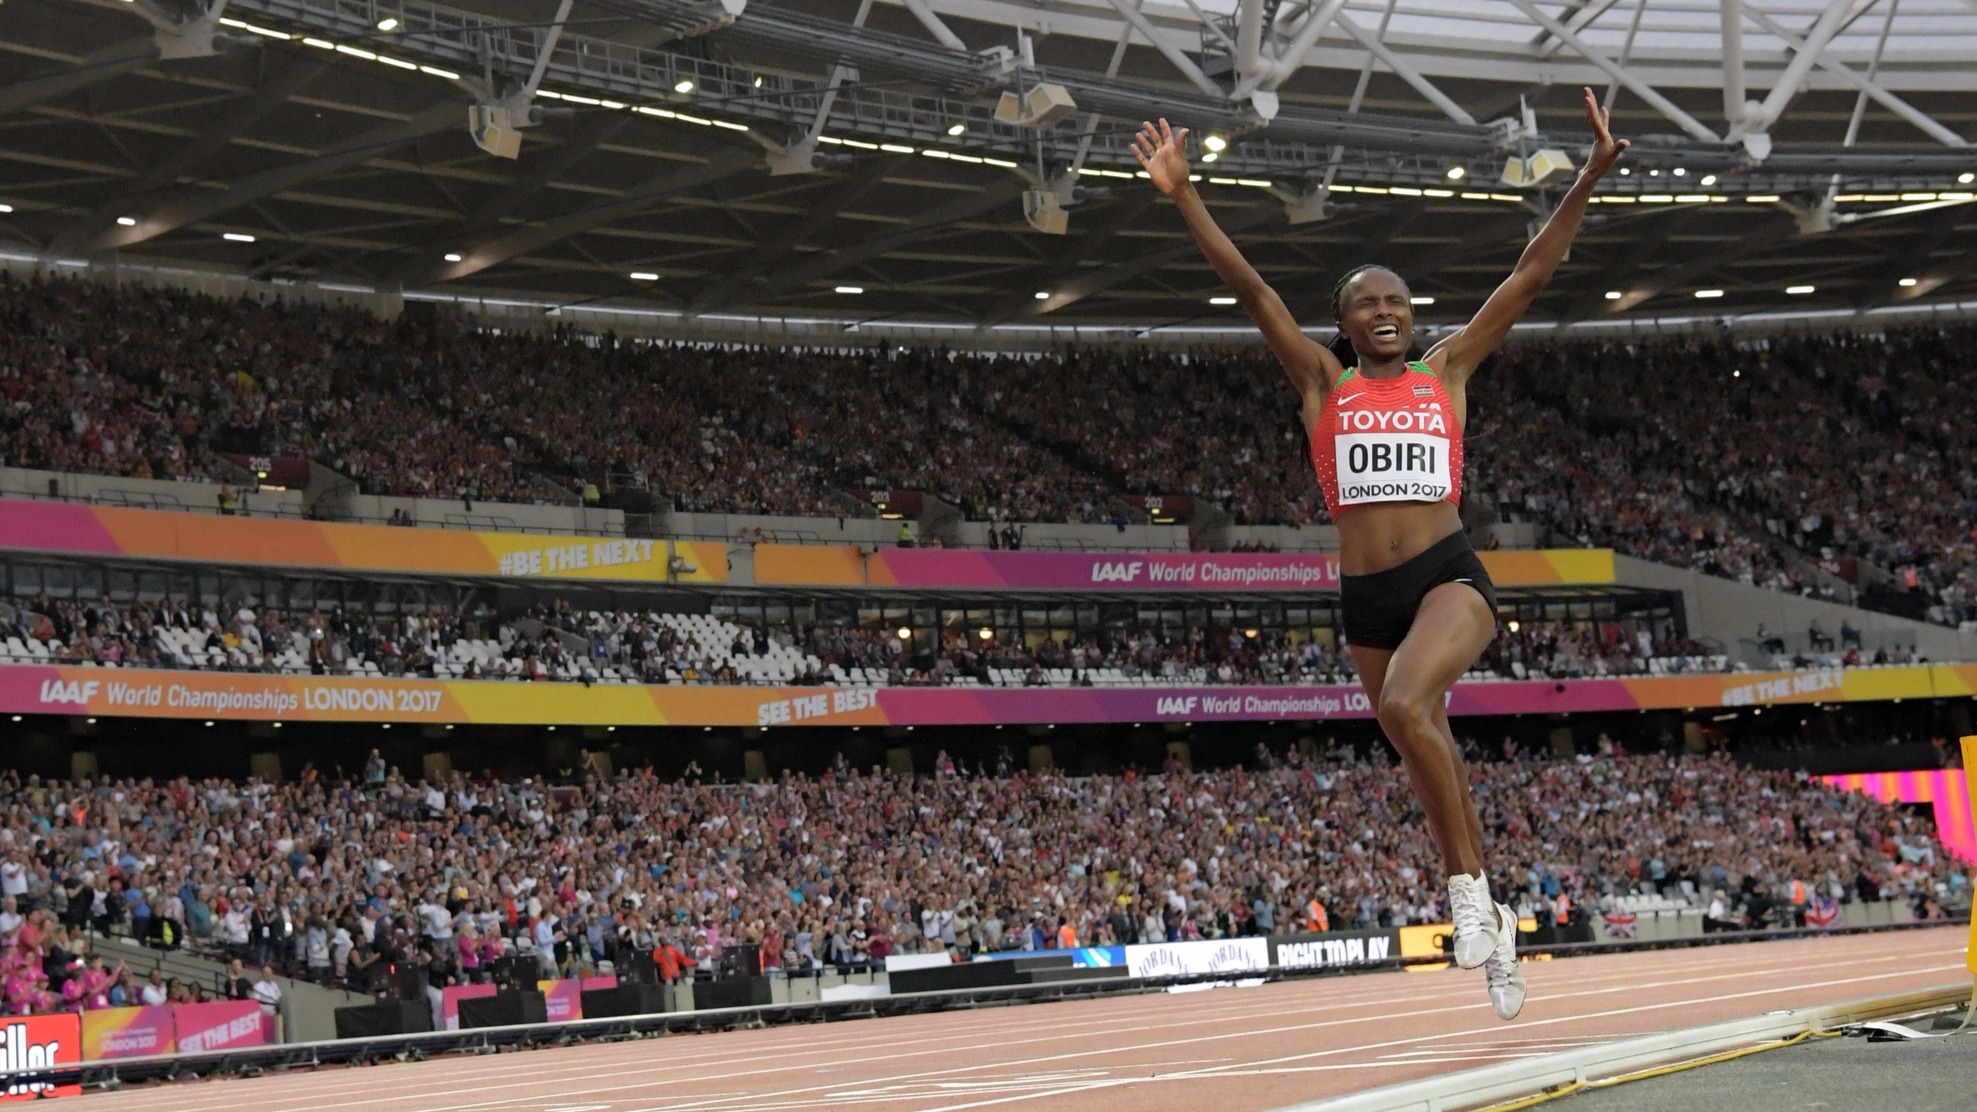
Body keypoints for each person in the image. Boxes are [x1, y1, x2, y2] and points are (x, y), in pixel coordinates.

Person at [1136, 86, 1629, 1022]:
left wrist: (1590, 179)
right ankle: (1492, 916)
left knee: (1408, 703)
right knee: (1419, 740)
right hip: (1364, 598)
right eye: (1366, 304)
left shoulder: (1447, 371)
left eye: (1397, 299)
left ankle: (1464, 898)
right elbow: (1252, 291)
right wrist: (1184, 197)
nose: (1385, 311)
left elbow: (1528, 275)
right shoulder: (1321, 384)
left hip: (1446, 576)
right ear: (1347, 322)